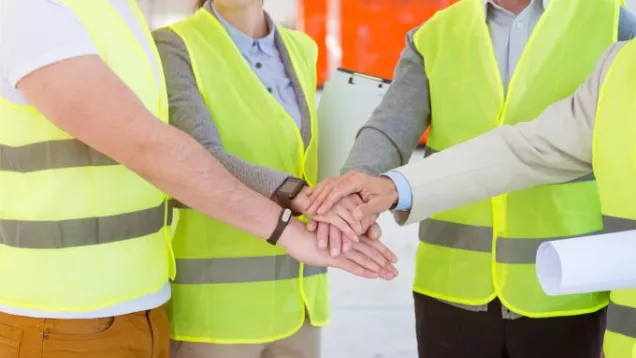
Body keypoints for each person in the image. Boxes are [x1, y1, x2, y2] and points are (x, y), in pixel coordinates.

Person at [0, 0, 397, 357]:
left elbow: (304, 153)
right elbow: (156, 148)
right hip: (65, 313)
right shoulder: (37, 10)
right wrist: (293, 217)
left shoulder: (121, 14)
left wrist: (344, 205)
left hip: (147, 301)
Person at [307, 0, 636, 357]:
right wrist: (370, 189)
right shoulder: (435, 34)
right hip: (456, 281)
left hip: (569, 283)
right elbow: (395, 126)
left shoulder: (614, 24)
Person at [151, 1, 396, 357]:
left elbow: (305, 157)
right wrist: (299, 195)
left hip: (300, 300)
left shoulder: (302, 48)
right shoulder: (173, 45)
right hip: (218, 310)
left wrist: (347, 209)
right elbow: (199, 155)